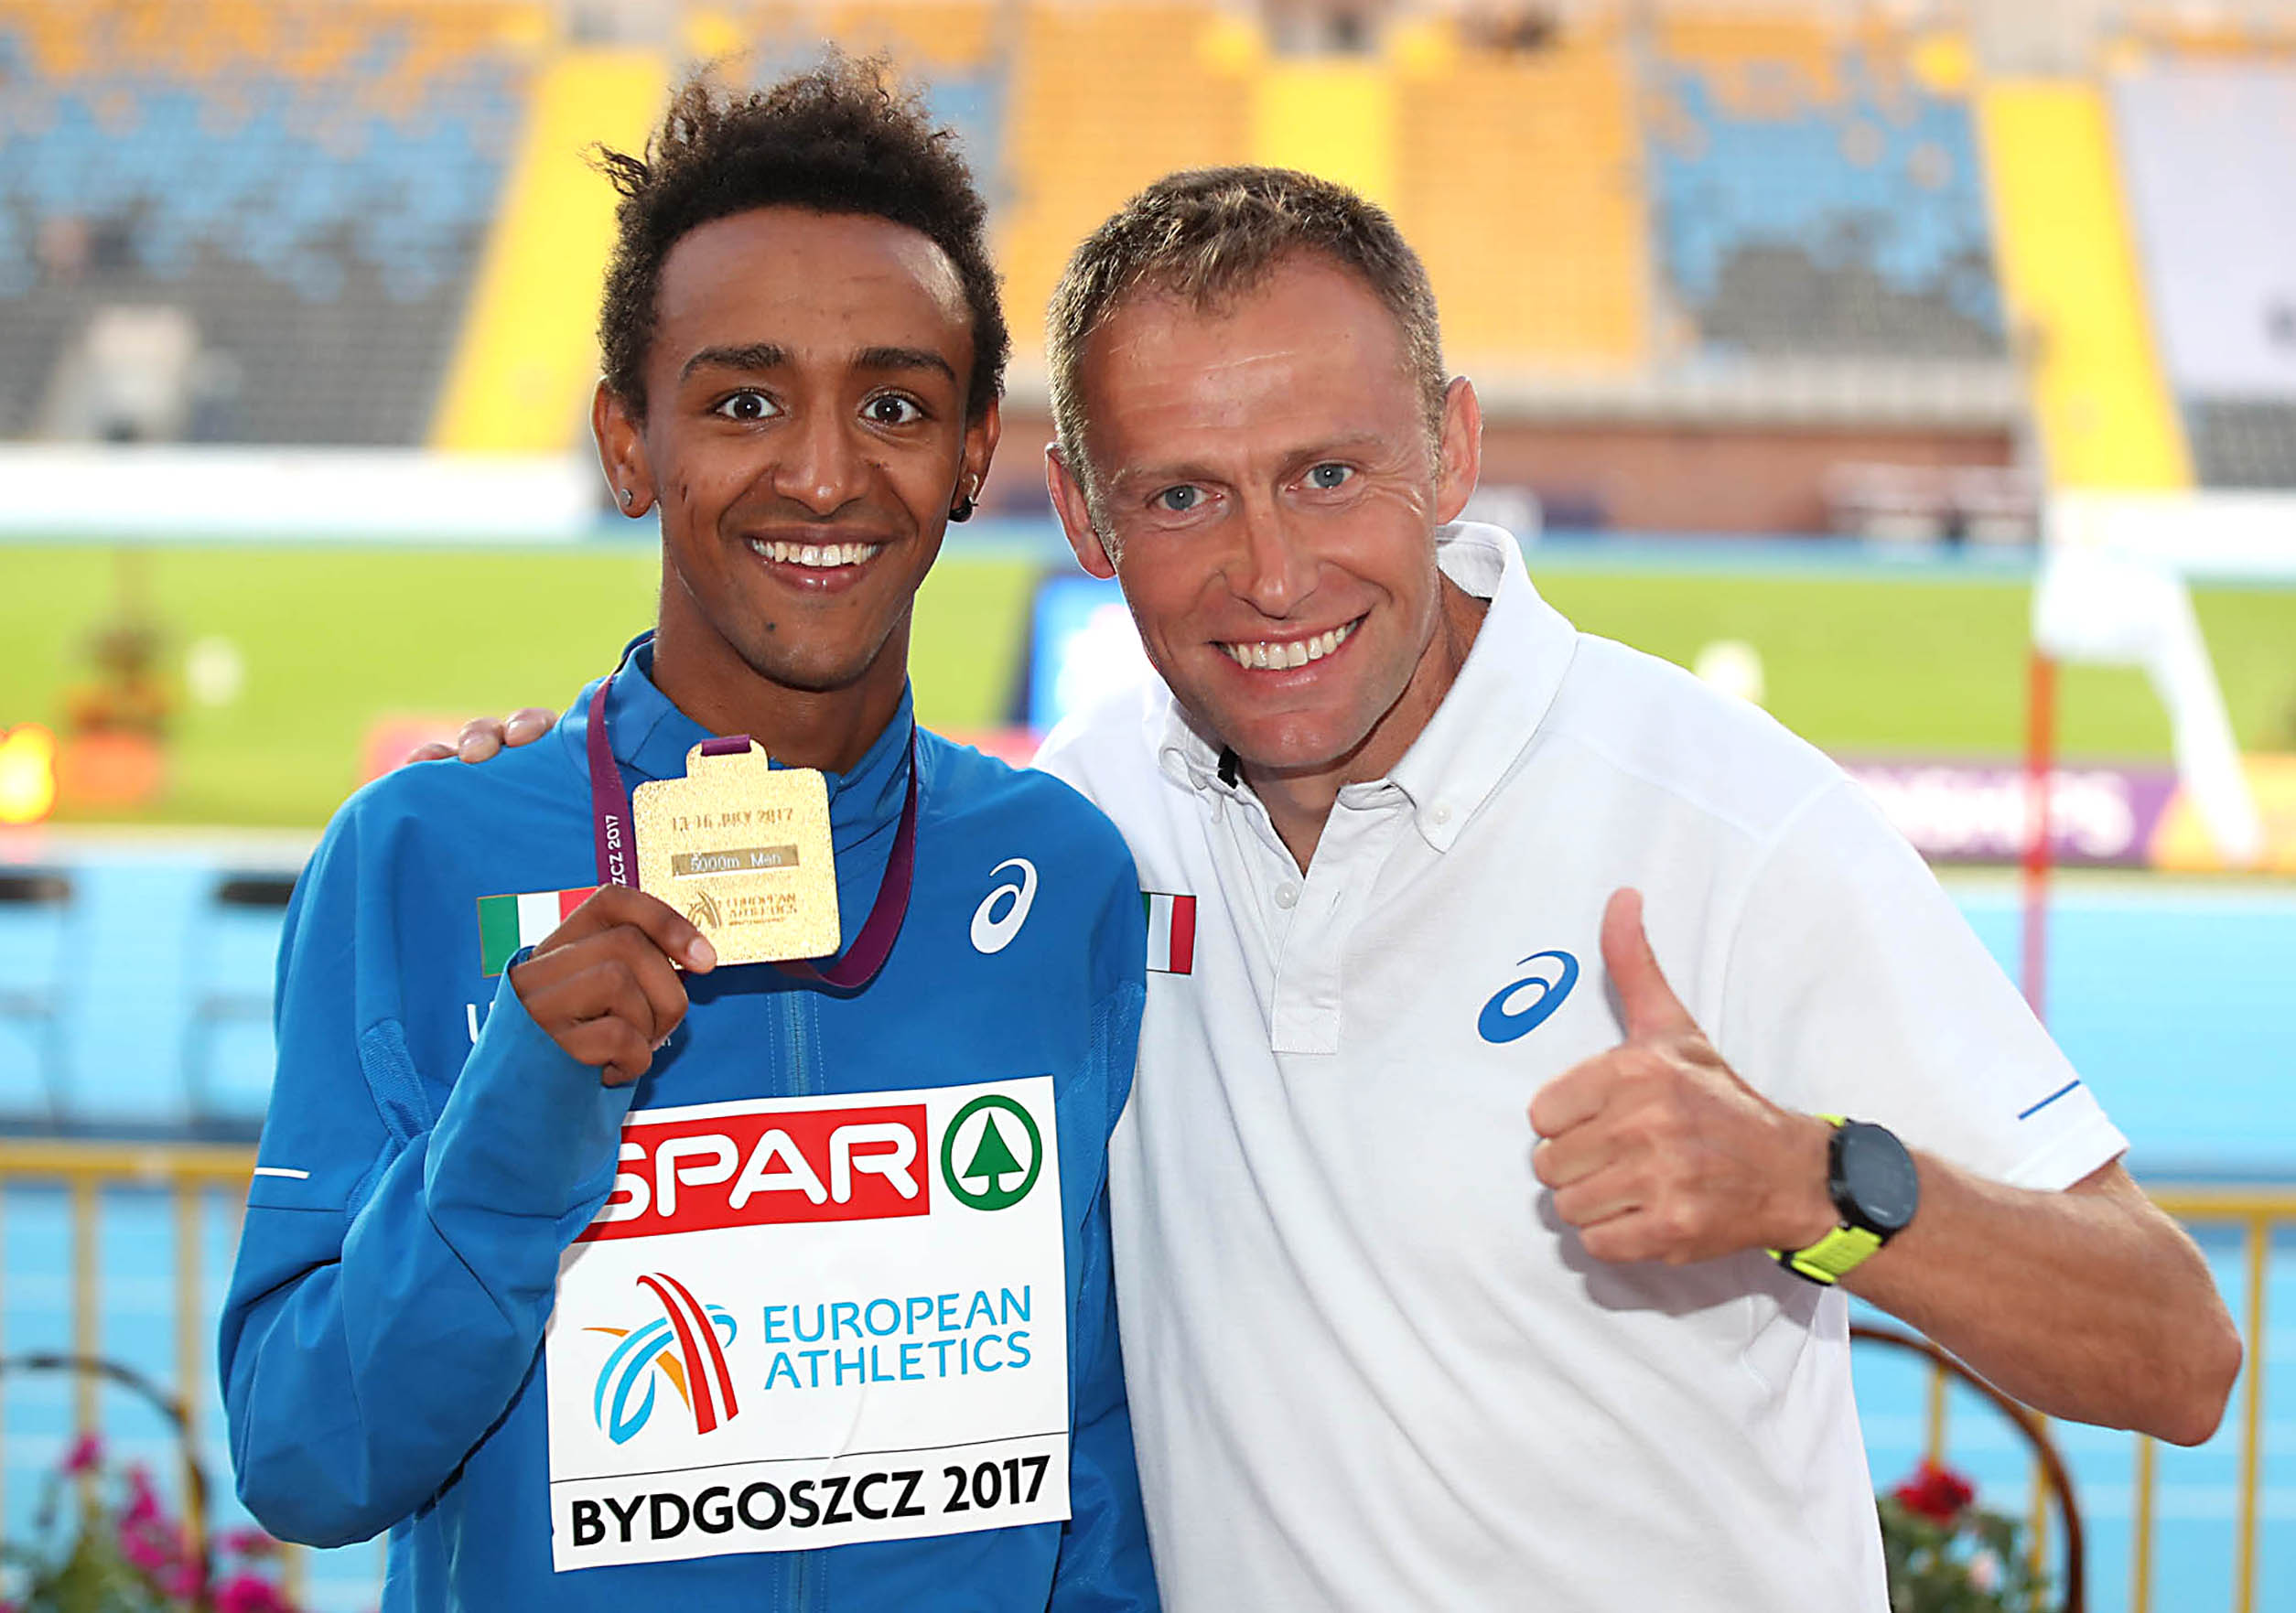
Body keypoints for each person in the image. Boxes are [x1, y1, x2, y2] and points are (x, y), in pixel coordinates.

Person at [442, 167, 2240, 1610]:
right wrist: (529, 793)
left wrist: (1811, 1184)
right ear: (1081, 515)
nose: (1270, 572)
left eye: (1325, 474)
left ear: (1448, 449)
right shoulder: (1079, 829)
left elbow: (2176, 1354)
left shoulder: (1724, 822)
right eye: (1181, 497)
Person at [221, 60, 1159, 1612]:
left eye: (893, 405)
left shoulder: (1062, 876)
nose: (823, 473)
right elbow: (308, 1460)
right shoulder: (418, 857)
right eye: (741, 402)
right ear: (628, 442)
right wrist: (512, 1127)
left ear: (970, 452)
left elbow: (1105, 1451)